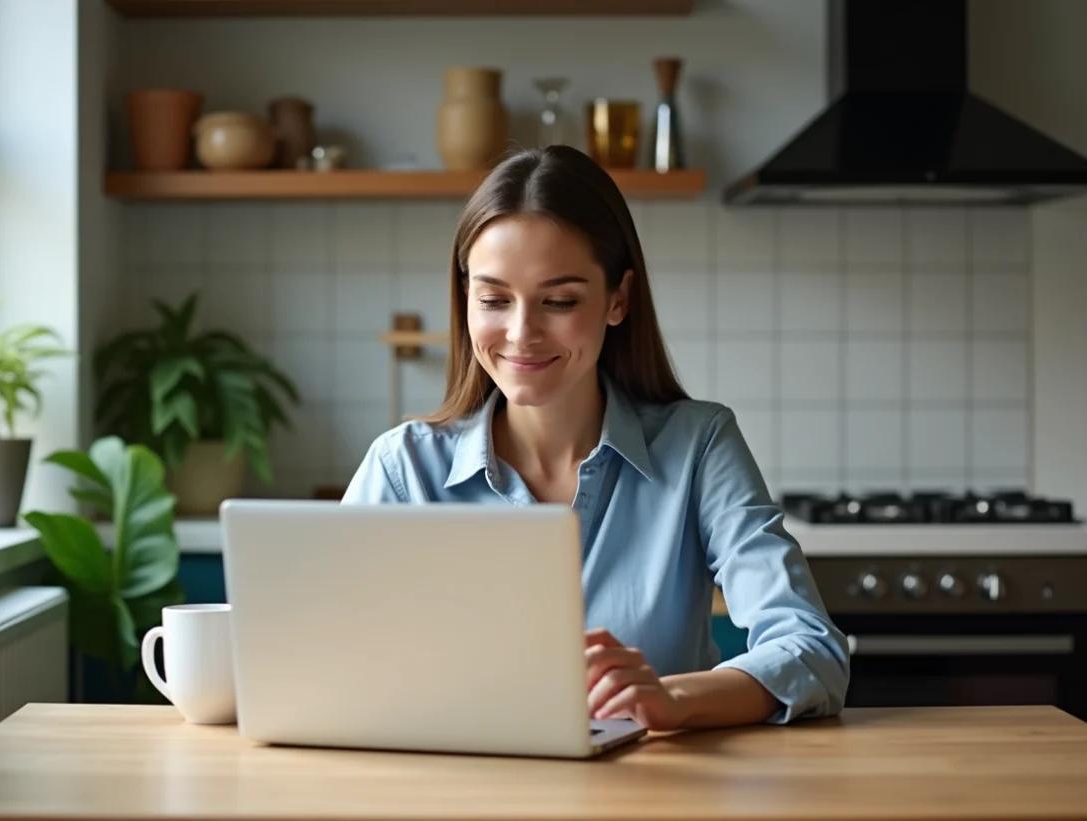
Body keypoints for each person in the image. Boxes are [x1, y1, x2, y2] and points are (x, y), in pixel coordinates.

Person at [342, 145, 850, 732]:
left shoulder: (698, 445)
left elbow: (811, 647)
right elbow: (320, 659)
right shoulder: (403, 470)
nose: (521, 332)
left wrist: (672, 700)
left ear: (618, 299)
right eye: (493, 299)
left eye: (559, 301)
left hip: (654, 800)